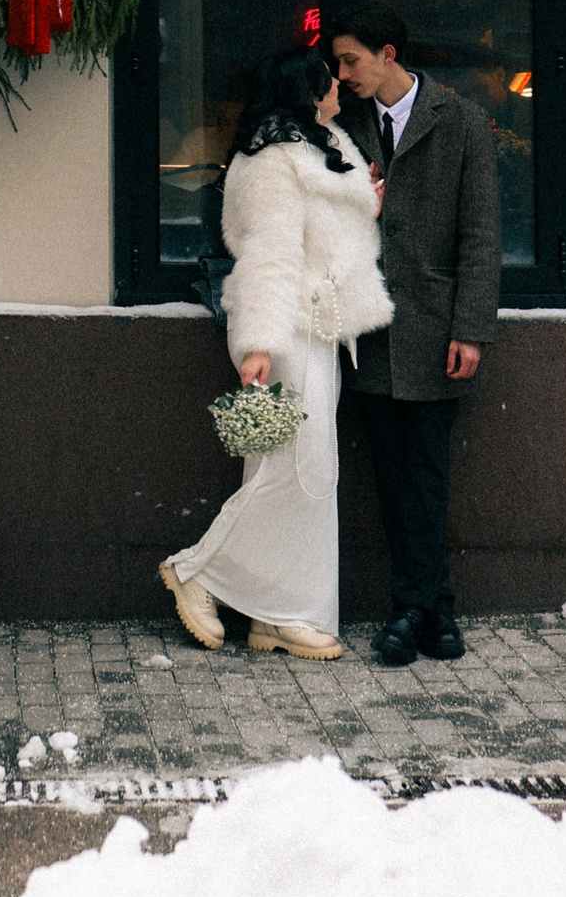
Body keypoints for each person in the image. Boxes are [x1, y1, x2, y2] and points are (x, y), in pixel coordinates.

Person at [160, 47, 393, 662]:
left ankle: (282, 616)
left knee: (305, 473)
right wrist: (258, 344)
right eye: (328, 80)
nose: (339, 86)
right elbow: (267, 257)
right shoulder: (269, 163)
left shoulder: (317, 147)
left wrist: (365, 195)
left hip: (321, 328)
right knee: (300, 471)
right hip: (289, 331)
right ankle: (197, 572)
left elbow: (335, 227)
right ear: (303, 92)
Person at [327, 1, 501, 668]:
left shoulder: (457, 120)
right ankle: (435, 609)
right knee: (394, 476)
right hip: (370, 330)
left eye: (351, 60)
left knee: (426, 473)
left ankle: (413, 609)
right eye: (338, 64)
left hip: (435, 330)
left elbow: (481, 235)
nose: (343, 75)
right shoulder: (343, 125)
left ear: (387, 54)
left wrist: (472, 330)